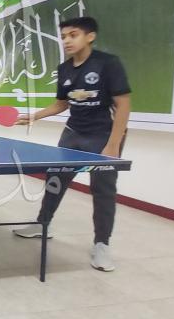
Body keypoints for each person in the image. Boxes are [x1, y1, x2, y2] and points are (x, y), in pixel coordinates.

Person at [12, 16, 131, 273]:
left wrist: (113, 144)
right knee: (55, 180)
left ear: (90, 36)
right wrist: (34, 116)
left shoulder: (108, 63)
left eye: (73, 35)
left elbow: (123, 105)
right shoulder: (65, 69)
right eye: (64, 36)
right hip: (73, 133)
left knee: (103, 190)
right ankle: (42, 224)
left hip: (102, 135)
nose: (67, 40)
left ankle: (102, 244)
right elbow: (61, 104)